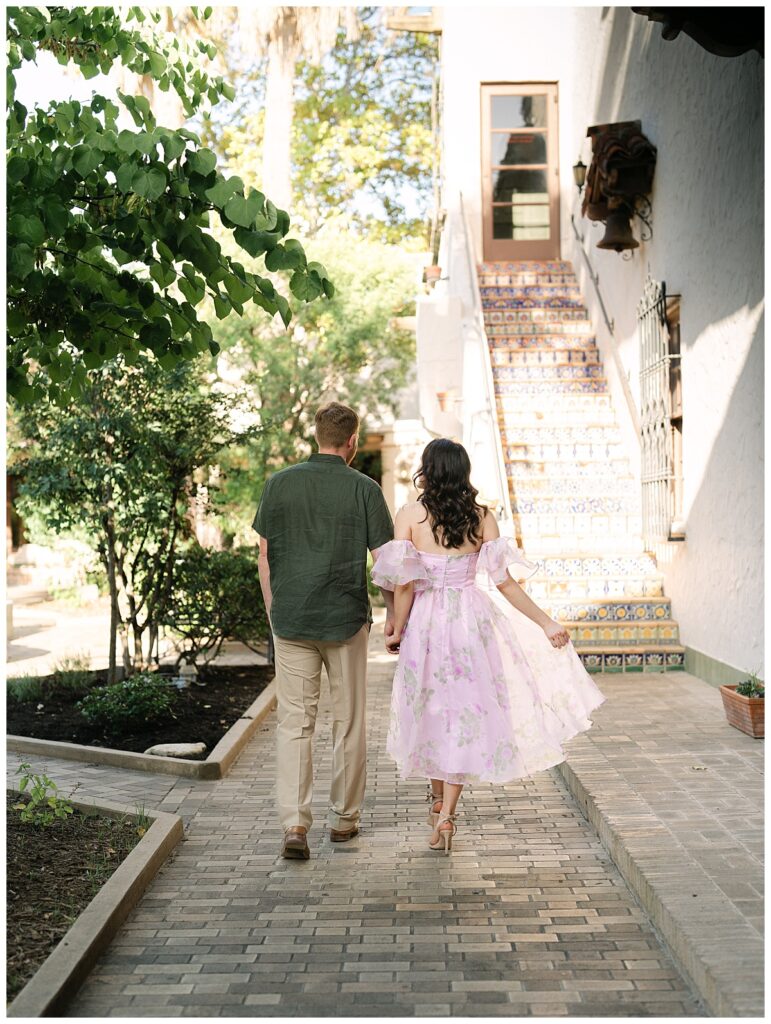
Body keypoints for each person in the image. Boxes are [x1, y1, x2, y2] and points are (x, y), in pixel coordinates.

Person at [371, 438, 606, 854]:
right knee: (464, 715)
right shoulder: (482, 518)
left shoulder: (410, 515)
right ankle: (446, 814)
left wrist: (396, 628)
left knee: (429, 710)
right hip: (470, 625)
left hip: (427, 624)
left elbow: (404, 585)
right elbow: (505, 584)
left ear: (427, 469)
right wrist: (546, 621)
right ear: (463, 472)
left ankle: (437, 798)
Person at [253, 402, 395, 859]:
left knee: (295, 723)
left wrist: (275, 611)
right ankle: (343, 820)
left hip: (292, 619)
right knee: (348, 721)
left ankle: (295, 824)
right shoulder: (365, 488)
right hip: (346, 620)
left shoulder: (279, 484)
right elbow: (386, 563)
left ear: (316, 436)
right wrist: (395, 617)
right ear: (352, 441)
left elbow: (264, 554)